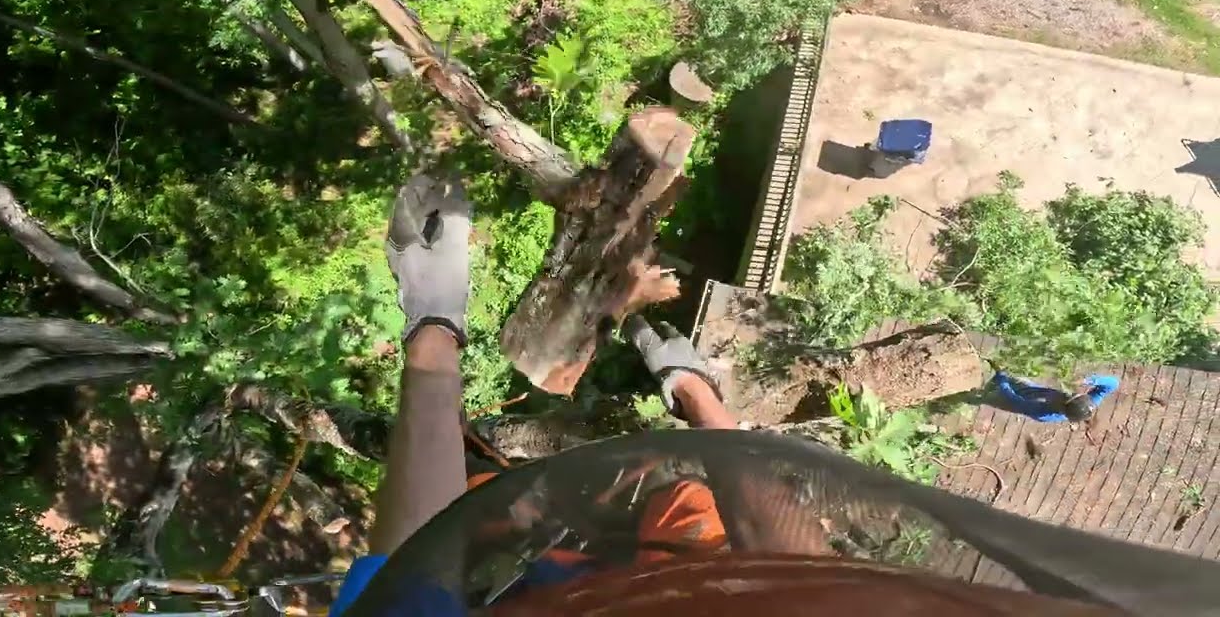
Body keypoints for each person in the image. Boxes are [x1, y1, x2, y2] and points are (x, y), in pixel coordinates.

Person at [328, 173, 1130, 616]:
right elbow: (794, 563)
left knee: (508, 514)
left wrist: (434, 322)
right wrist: (699, 397)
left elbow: (409, 575)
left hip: (570, 585)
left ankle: (525, 510)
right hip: (660, 564)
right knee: (689, 510)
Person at [990, 370, 1119, 423]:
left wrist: (1002, 381)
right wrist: (1089, 381)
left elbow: (1015, 401)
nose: (1067, 392)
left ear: (1062, 407)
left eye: (1067, 396)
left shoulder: (1042, 412)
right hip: (1035, 390)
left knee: (996, 396)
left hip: (1020, 399)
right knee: (1022, 381)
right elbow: (1113, 384)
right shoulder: (1089, 402)